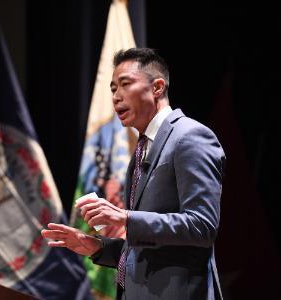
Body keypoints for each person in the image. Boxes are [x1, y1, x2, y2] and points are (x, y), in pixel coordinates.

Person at [41, 48, 225, 299]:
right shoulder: (141, 148)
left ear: (157, 87)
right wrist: (96, 246)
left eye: (125, 84)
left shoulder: (190, 137)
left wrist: (125, 217)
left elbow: (202, 226)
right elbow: (147, 245)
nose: (116, 96)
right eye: (113, 88)